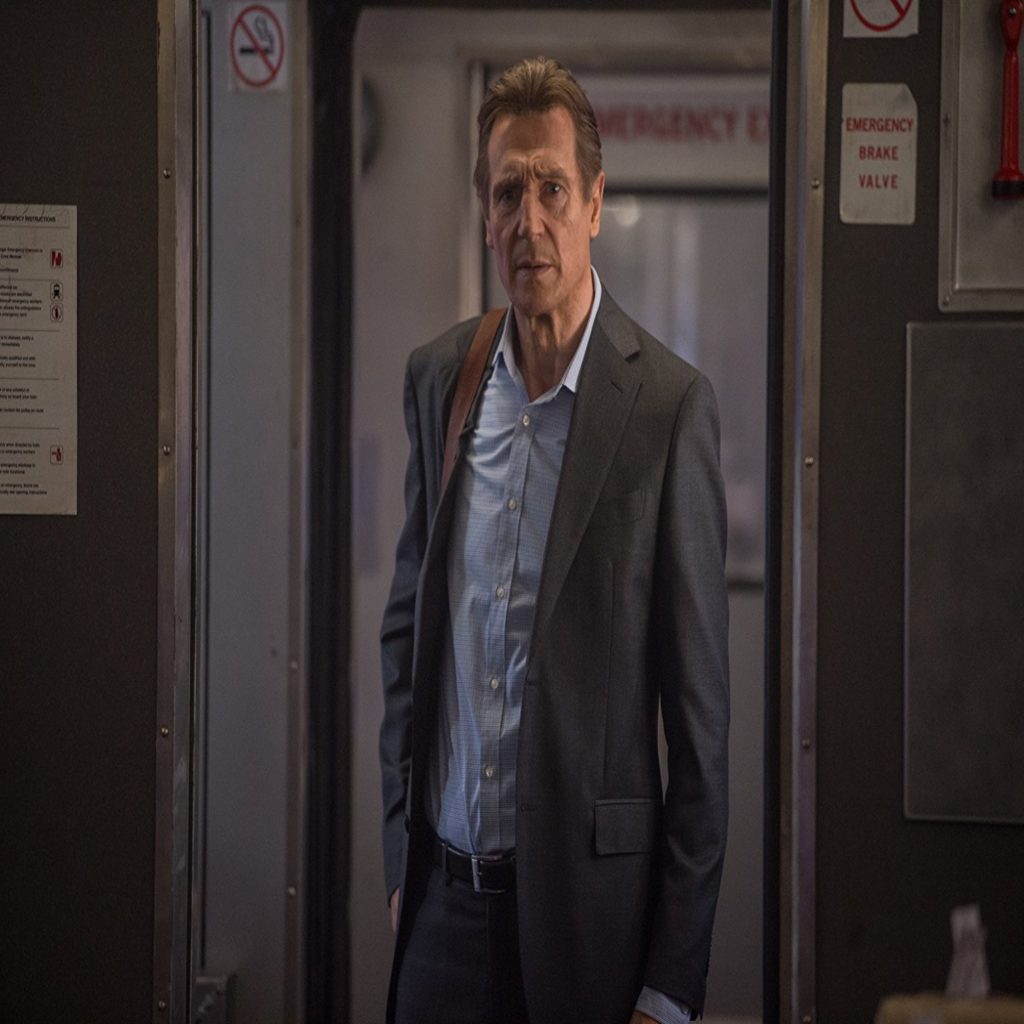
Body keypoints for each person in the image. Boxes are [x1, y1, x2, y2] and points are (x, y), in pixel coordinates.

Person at [379, 56, 729, 1024]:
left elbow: (700, 738)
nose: (528, 219)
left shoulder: (666, 407)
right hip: (441, 916)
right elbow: (405, 638)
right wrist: (399, 861)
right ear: (485, 214)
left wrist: (669, 987)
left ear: (595, 203)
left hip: (589, 930)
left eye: (551, 189)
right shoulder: (439, 381)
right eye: (507, 193)